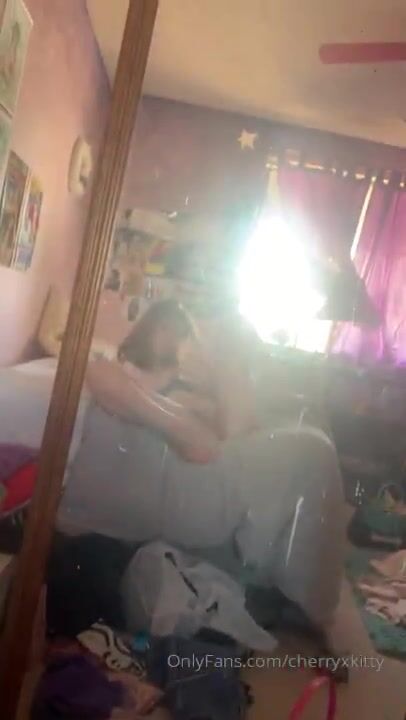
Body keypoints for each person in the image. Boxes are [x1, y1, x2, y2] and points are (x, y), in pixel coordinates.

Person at [58, 298, 345, 643]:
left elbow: (230, 428)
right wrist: (179, 422)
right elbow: (101, 376)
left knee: (308, 447)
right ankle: (301, 598)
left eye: (180, 329)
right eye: (166, 324)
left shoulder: (179, 382)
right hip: (176, 475)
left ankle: (291, 592)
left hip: (194, 450)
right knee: (311, 452)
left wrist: (204, 388)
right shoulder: (110, 368)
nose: (172, 333)